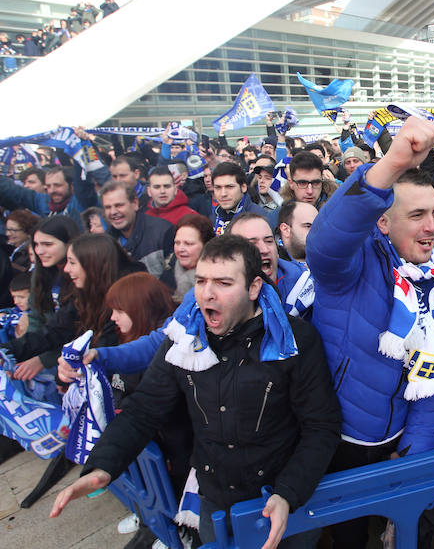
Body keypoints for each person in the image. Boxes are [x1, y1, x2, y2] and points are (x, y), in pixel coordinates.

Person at [50, 235, 343, 549]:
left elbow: (321, 426)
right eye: (201, 281)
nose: (207, 293)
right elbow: (144, 408)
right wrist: (104, 466)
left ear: (254, 287)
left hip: (283, 505)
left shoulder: (294, 341)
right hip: (214, 503)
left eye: (223, 282)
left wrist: (288, 493)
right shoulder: (184, 339)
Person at [306, 117, 434, 548]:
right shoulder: (350, 267)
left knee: (393, 531)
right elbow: (324, 242)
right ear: (383, 223)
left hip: (398, 440)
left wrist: (413, 453)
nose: (431, 226)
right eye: (417, 215)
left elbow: (433, 376)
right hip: (338, 440)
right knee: (348, 536)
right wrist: (390, 164)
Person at [4, 233, 144, 381]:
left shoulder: (127, 301)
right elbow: (55, 331)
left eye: (72, 262)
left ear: (93, 265)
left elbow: (103, 350)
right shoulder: (86, 292)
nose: (66, 269)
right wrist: (7, 351)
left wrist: (68, 373)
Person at [99, 181, 173, 278]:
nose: (113, 212)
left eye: (119, 205)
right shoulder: (106, 242)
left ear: (135, 203)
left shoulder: (163, 232)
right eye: (108, 207)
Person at [0, 165, 99, 223]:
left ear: (72, 186)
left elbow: (84, 180)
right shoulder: (44, 202)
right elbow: (13, 192)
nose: (52, 190)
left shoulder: (82, 202)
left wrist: (83, 145)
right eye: (48, 186)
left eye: (57, 185)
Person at [160, 213, 215, 303]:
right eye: (177, 243)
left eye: (188, 244)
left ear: (206, 245)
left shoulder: (216, 280)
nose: (180, 249)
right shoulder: (167, 276)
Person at [209, 161, 269, 235]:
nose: (223, 194)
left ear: (243, 187)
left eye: (230, 187)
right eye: (218, 187)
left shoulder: (260, 217)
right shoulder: (213, 217)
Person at [5, 209, 38, 273]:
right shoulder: (9, 248)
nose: (7, 234)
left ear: (28, 231)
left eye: (13, 230)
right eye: (7, 229)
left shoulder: (31, 253)